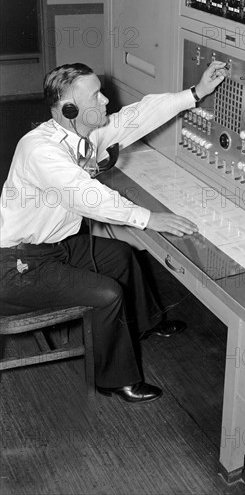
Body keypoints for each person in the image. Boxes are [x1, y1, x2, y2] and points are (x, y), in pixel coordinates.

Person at [0, 61, 226, 403]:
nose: (106, 101)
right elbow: (86, 196)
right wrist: (148, 218)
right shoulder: (40, 150)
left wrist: (195, 93)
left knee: (121, 256)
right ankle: (114, 379)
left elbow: (136, 116)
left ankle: (145, 323)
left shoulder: (81, 135)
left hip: (52, 248)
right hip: (15, 265)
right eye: (96, 95)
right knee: (106, 294)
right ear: (69, 108)